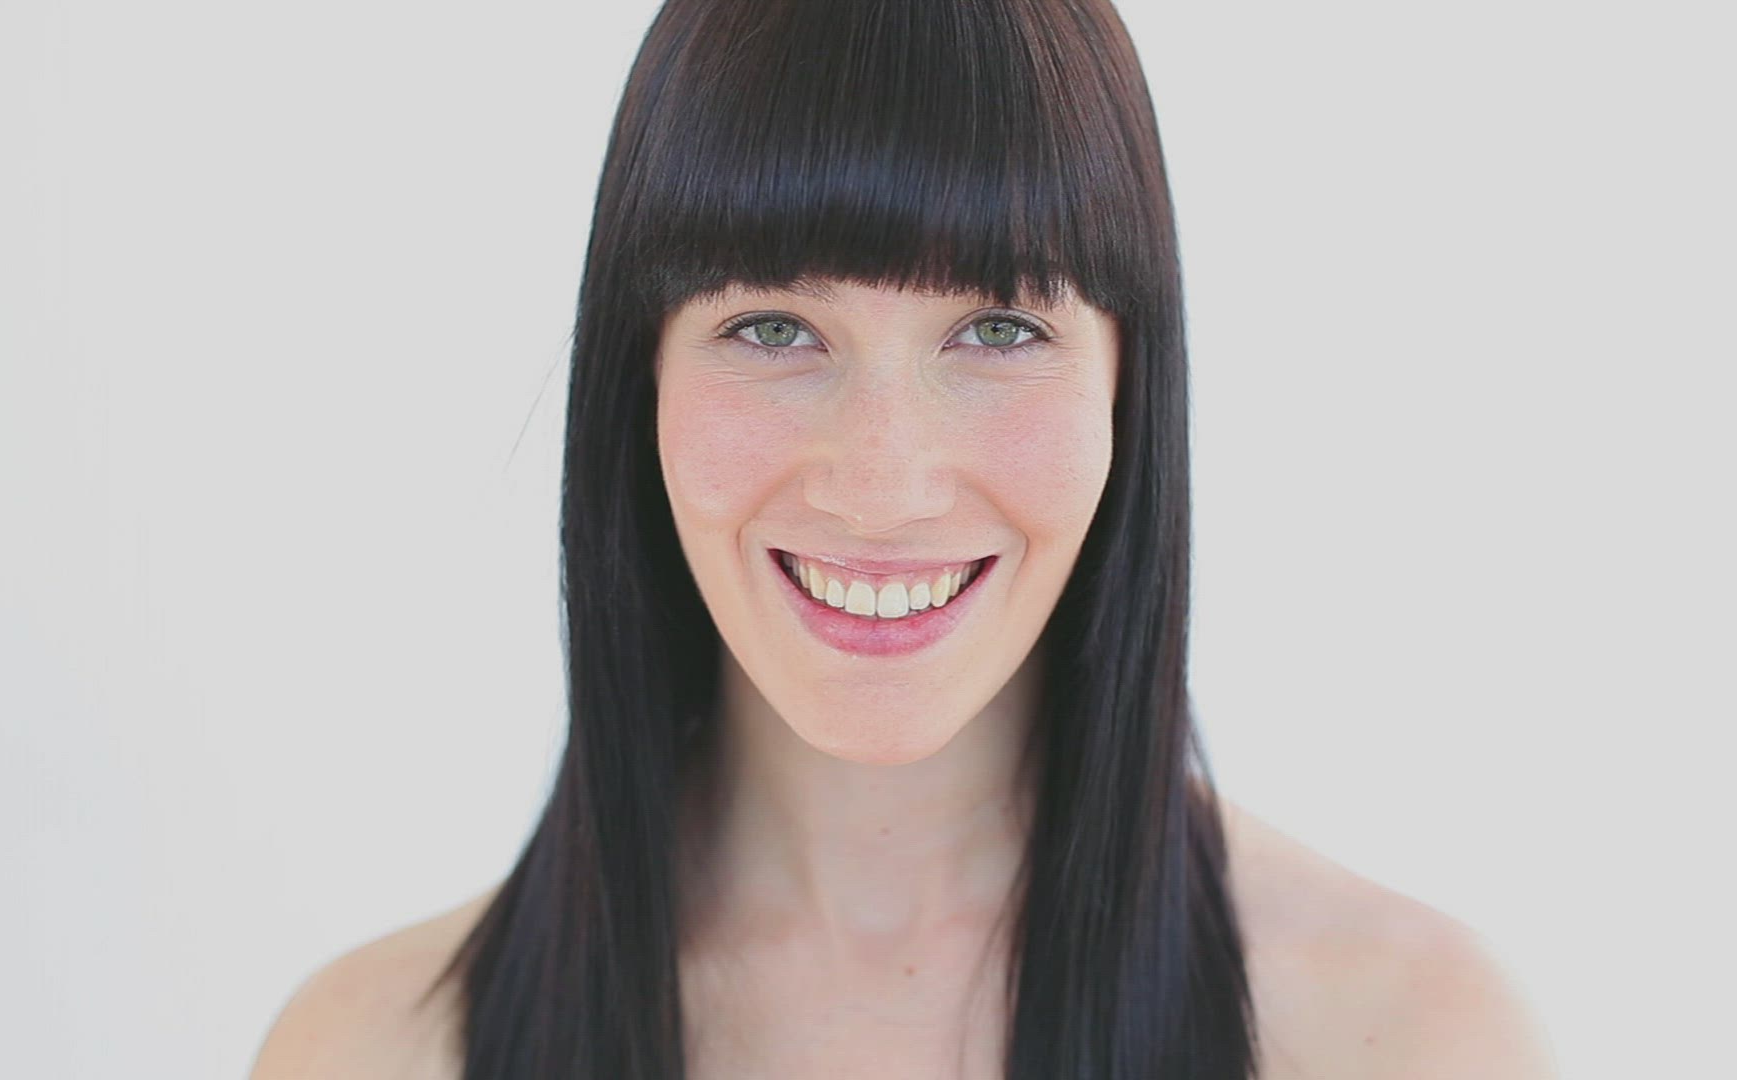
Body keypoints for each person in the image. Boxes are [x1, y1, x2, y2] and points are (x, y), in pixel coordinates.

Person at [250, 0, 1557, 1076]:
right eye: (773, 328)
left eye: (1000, 329)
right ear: (638, 380)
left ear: (1127, 385)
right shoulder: (372, 1052)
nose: (882, 487)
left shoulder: (1405, 1039)